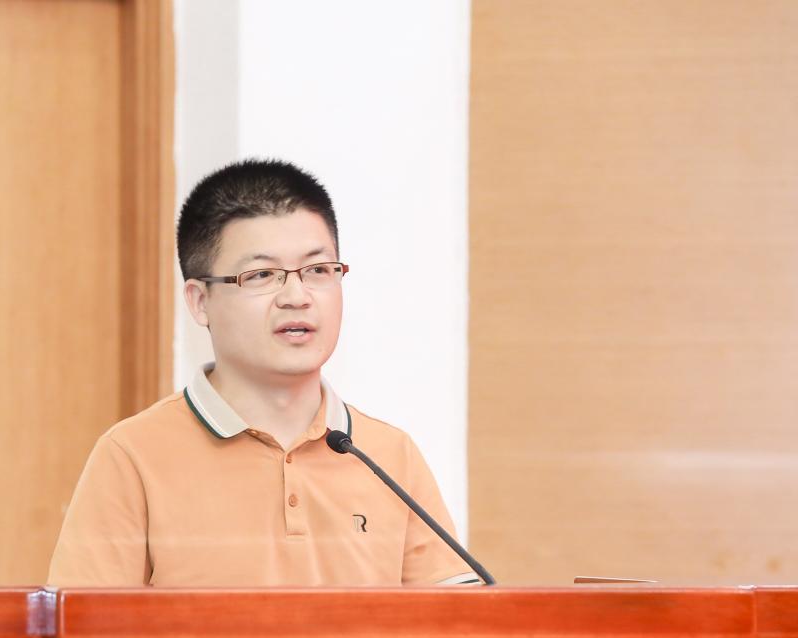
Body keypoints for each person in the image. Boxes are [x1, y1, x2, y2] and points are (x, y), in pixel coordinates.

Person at [47, 159, 482, 587]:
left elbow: (457, 623)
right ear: (200, 301)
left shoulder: (388, 456)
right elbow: (85, 628)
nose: (297, 296)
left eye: (318, 270)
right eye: (262, 275)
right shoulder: (132, 456)